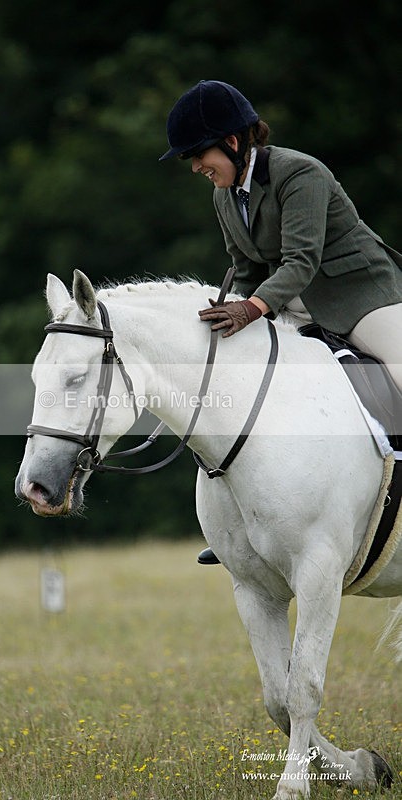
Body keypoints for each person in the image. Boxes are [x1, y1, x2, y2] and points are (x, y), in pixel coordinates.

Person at [159, 79, 402, 565]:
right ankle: (236, 528)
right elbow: (247, 272)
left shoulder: (300, 173)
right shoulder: (225, 195)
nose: (195, 167)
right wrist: (224, 312)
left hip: (363, 296)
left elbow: (301, 261)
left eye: (199, 154)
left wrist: (250, 310)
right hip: (296, 304)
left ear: (233, 141)